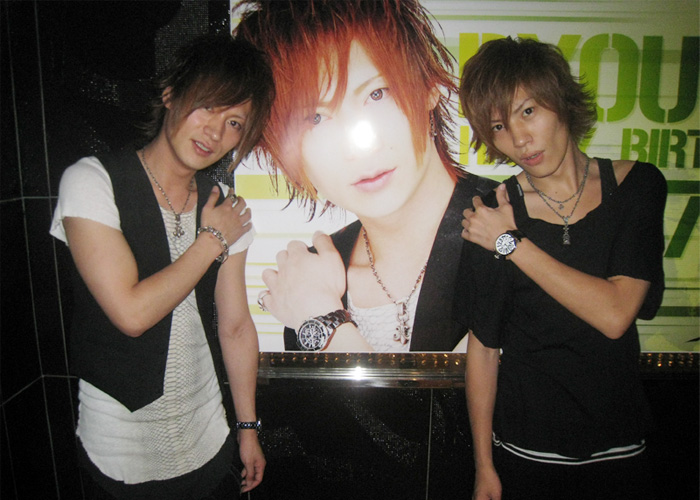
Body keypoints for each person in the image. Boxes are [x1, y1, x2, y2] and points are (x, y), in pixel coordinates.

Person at [50, 34, 274, 499]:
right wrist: (211, 240)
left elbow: (235, 326)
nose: (215, 131)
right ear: (171, 93)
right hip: (118, 451)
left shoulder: (223, 208)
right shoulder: (92, 181)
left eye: (234, 122)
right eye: (208, 106)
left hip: (207, 437)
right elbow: (131, 314)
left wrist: (248, 427)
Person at [457, 37, 666, 499]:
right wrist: (483, 466)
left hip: (620, 449)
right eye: (499, 126)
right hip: (524, 452)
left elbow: (616, 314)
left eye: (528, 111)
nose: (519, 139)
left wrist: (511, 244)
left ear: (562, 101)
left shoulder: (638, 187)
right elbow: (484, 350)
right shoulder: (492, 212)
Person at [233, 0, 498, 352]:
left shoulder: (522, 226)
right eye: (315, 118)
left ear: (428, 88)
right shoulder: (312, 279)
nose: (356, 150)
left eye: (377, 94)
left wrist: (324, 324)